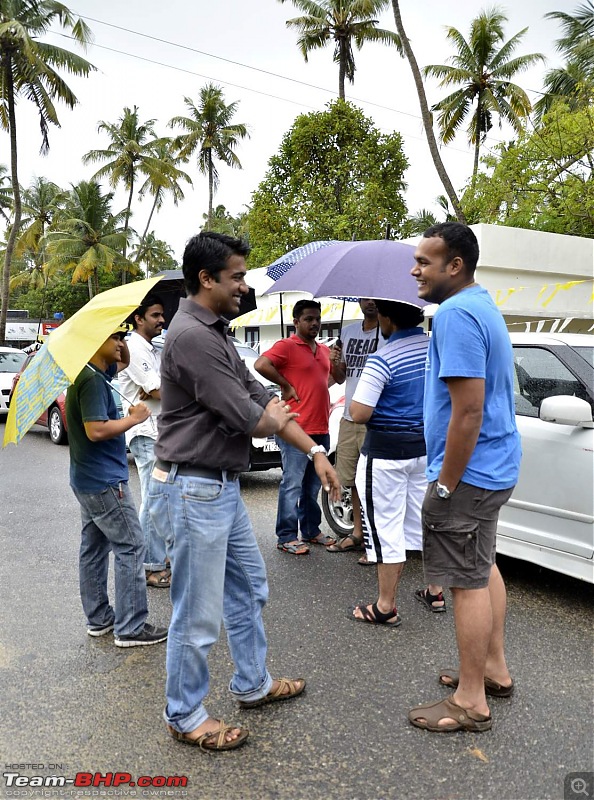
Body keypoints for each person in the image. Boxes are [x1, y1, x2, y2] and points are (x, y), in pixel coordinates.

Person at [149, 232, 340, 751]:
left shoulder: (214, 333)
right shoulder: (190, 336)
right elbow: (251, 416)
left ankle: (252, 684)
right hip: (197, 491)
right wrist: (268, 417)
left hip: (223, 490)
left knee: (249, 590)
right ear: (206, 278)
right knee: (197, 612)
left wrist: (317, 453)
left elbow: (261, 398)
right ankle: (184, 714)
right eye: (236, 276)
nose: (244, 285)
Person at [408, 222, 521, 733]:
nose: (416, 271)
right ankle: (492, 669)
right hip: (494, 467)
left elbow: (468, 411)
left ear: (455, 266)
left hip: (470, 473)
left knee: (464, 581)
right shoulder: (482, 305)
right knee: (483, 565)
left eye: (425, 262)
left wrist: (445, 485)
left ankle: (471, 699)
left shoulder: (454, 314)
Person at [66, 328, 168, 648]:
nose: (122, 345)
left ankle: (99, 619)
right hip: (105, 482)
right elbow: (96, 430)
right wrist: (134, 419)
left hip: (88, 479)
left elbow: (118, 368)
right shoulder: (92, 381)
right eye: (115, 339)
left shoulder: (90, 372)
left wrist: (118, 353)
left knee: (94, 549)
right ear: (96, 342)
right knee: (132, 546)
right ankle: (131, 626)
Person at [348, 300, 445, 626]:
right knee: (423, 522)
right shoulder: (437, 348)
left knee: (386, 527)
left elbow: (358, 413)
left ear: (386, 319)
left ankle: (385, 606)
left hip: (387, 455)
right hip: (426, 450)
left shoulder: (383, 358)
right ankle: (434, 590)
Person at [255, 300, 341, 554]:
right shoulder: (287, 346)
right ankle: (286, 536)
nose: (314, 323)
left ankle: (311, 530)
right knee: (292, 483)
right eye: (308, 319)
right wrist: (285, 384)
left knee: (313, 485)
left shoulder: (324, 350)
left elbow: (331, 381)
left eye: (317, 319)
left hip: (320, 426)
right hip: (294, 426)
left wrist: (337, 362)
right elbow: (260, 364)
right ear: (296, 322)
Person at [118, 293, 170, 589]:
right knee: (154, 498)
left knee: (160, 497)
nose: (161, 320)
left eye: (162, 314)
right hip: (146, 433)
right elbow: (158, 389)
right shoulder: (134, 347)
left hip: (158, 431)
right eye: (155, 315)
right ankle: (150, 565)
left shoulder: (151, 348)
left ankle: (157, 557)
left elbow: (162, 388)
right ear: (138, 318)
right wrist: (162, 390)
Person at [326, 298, 381, 561]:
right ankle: (358, 534)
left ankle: (376, 543)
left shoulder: (388, 333)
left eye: (374, 298)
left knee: (376, 484)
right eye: (364, 297)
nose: (369, 302)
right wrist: (335, 361)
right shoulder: (347, 332)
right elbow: (340, 377)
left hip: (376, 419)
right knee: (354, 482)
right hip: (349, 417)